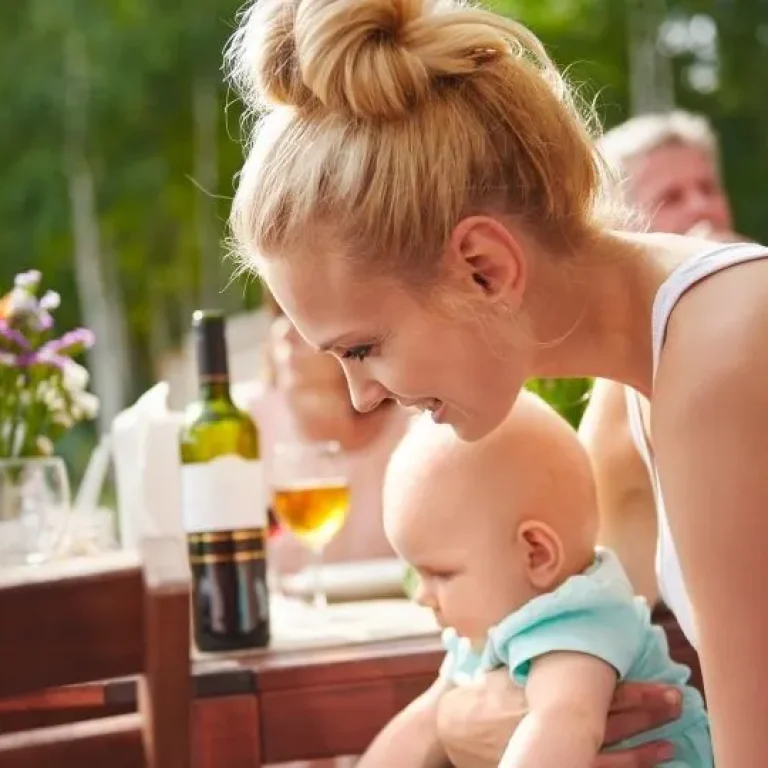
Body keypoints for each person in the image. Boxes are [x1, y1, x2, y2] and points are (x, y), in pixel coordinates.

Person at [225, 1, 768, 765]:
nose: (361, 396)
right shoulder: (634, 391)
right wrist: (450, 726)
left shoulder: (731, 351)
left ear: (485, 267)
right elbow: (550, 623)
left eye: (364, 347)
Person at [359, 392, 712, 768]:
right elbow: (404, 743)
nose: (422, 596)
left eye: (441, 574)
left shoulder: (581, 620)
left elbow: (562, 723)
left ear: (536, 554)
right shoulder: (491, 624)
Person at [580, 111, 743, 696]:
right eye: (672, 196)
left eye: (708, 188)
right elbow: (601, 577)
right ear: (621, 229)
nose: (702, 210)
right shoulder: (626, 386)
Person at [236, 294, 411, 574]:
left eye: (304, 317)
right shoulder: (246, 422)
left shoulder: (411, 427)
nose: (285, 332)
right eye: (281, 315)